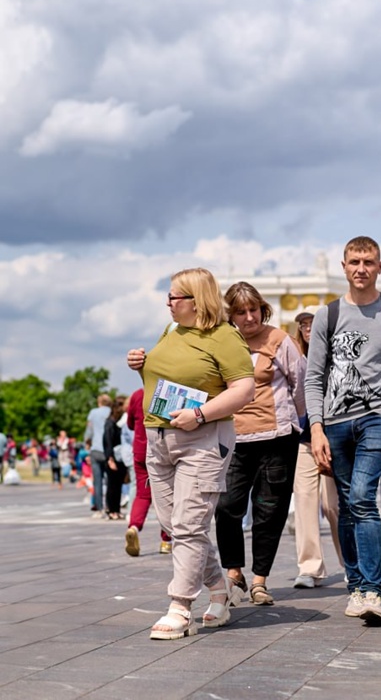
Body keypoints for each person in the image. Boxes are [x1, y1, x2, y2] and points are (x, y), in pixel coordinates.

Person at [127, 267, 255, 639]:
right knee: (175, 525)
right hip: (160, 437)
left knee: (187, 526)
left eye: (174, 297)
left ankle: (180, 606)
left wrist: (199, 414)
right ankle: (220, 588)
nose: (168, 302)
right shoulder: (170, 332)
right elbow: (166, 379)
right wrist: (141, 366)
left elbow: (243, 389)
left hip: (203, 438)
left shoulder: (224, 336)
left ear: (196, 301)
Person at [304, 236, 381, 624]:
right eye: (354, 261)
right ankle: (356, 585)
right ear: (344, 265)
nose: (361, 268)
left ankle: (372, 589)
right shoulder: (328, 315)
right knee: (345, 508)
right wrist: (316, 429)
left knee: (361, 497)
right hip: (334, 423)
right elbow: (313, 378)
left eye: (368, 262)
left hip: (378, 416)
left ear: (380, 267)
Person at [216, 282, 306, 606]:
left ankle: (259, 580)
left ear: (262, 309)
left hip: (277, 437)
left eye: (254, 309)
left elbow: (300, 385)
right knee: (227, 506)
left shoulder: (279, 340)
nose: (249, 317)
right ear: (231, 315)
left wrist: (292, 423)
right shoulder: (223, 343)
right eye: (241, 311)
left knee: (270, 510)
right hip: (234, 437)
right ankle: (234, 570)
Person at [290, 310, 343, 589]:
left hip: (333, 438)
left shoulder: (335, 360)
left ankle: (350, 562)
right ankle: (310, 567)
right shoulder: (296, 359)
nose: (307, 329)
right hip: (304, 438)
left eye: (312, 324)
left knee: (332, 504)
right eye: (303, 325)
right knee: (305, 502)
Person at [125, 387, 173, 556]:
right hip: (160, 449)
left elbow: (130, 423)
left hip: (139, 450)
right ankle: (166, 541)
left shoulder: (137, 394)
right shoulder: (166, 392)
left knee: (142, 494)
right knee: (167, 494)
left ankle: (134, 527)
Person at [102, 396, 129, 521]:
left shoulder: (120, 422)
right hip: (112, 457)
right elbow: (107, 442)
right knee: (112, 485)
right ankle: (111, 510)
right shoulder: (110, 423)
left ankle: (116, 509)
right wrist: (110, 458)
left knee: (118, 485)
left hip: (121, 457)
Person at [85, 394, 112, 516]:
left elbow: (89, 431)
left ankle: (99, 508)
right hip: (108, 450)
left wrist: (87, 442)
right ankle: (110, 506)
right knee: (110, 480)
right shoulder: (111, 412)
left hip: (95, 449)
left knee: (97, 481)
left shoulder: (93, 412)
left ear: (99, 402)